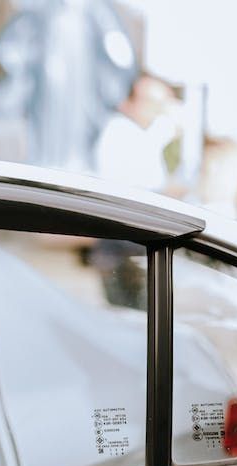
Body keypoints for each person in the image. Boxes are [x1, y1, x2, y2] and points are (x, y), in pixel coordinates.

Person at [89, 74, 179, 309]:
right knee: (128, 311)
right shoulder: (118, 132)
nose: (156, 110)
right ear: (131, 102)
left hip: (137, 241)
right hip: (122, 242)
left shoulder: (149, 132)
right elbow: (122, 186)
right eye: (151, 103)